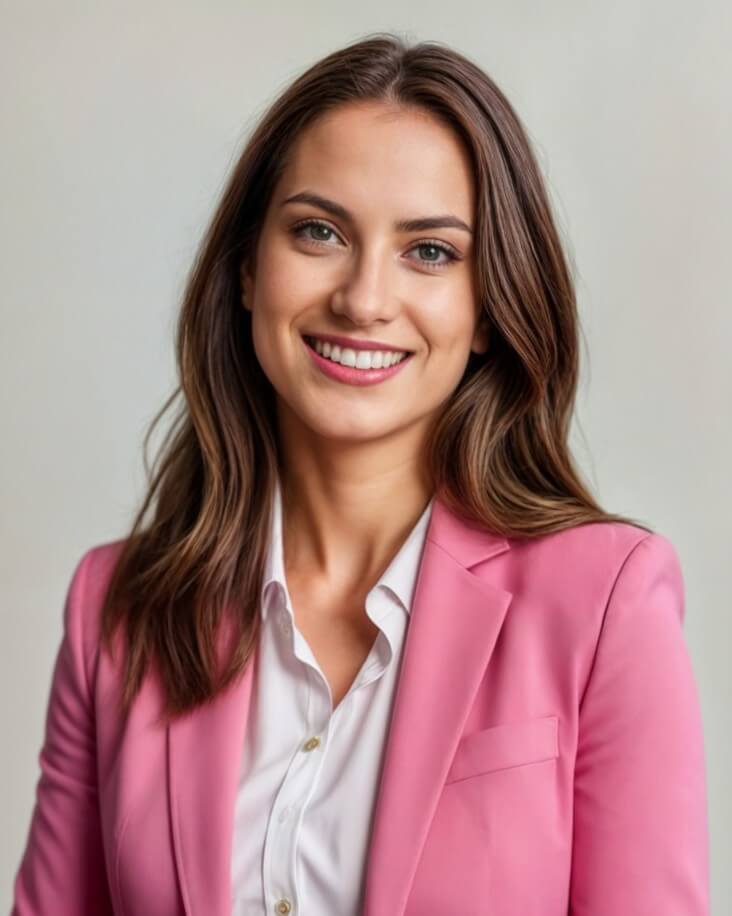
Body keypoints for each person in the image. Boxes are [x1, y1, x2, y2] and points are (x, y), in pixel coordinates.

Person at [11, 32, 709, 916]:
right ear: (244, 271)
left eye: (430, 251)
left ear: (488, 307)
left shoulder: (606, 603)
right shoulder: (117, 607)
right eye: (318, 232)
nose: (364, 297)